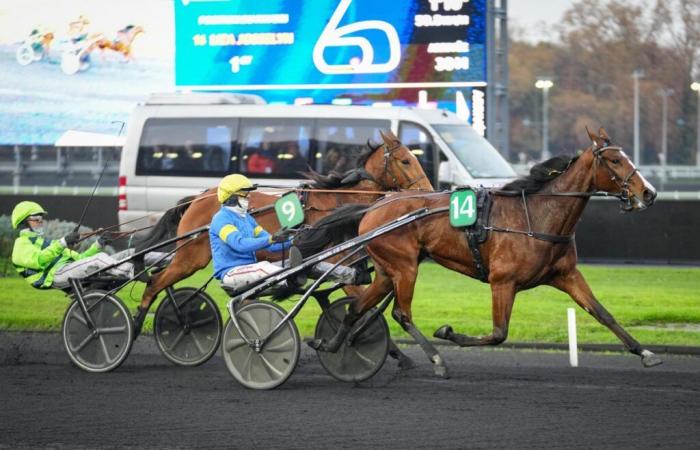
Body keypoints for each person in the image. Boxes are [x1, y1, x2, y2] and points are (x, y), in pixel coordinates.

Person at [210, 174, 357, 292]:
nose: (249, 197)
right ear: (231, 196)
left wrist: (294, 239)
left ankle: (351, 275)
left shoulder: (247, 219)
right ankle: (292, 278)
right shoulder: (221, 220)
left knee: (307, 263)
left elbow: (272, 246)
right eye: (244, 194)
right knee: (265, 267)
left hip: (251, 270)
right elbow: (239, 244)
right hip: (231, 273)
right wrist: (272, 239)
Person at [10, 201, 164, 289]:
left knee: (130, 252)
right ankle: (136, 273)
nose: (40, 222)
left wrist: (98, 244)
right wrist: (63, 242)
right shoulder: (21, 246)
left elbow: (82, 259)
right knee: (99, 259)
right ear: (24, 223)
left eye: (41, 219)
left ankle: (172, 260)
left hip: (68, 269)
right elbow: (39, 261)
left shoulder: (45, 242)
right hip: (54, 277)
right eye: (36, 219)